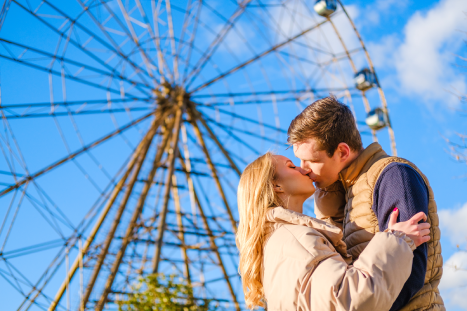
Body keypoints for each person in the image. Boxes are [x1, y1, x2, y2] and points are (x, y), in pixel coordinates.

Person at [287, 96, 444, 311]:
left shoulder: (394, 177)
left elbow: (410, 273)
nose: (303, 169)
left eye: (312, 161)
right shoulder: (342, 194)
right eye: (299, 160)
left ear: (342, 151)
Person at [236, 152, 431, 311]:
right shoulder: (294, 238)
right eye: (291, 166)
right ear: (276, 186)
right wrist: (397, 241)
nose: (303, 168)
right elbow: (348, 300)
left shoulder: (278, 244)